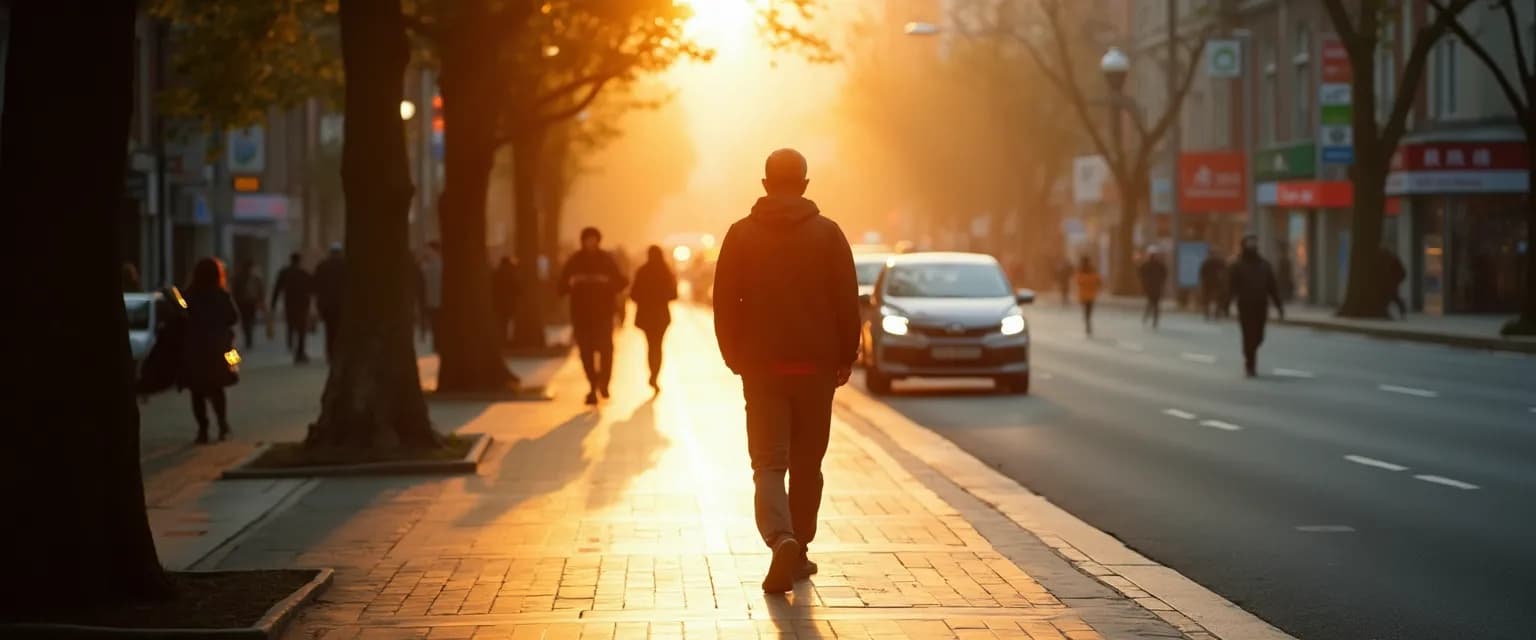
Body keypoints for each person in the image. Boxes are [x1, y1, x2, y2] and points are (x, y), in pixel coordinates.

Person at [714, 148, 860, 594]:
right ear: (805, 184)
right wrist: (846, 355)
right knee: (807, 463)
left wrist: (734, 356)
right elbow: (846, 301)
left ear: (764, 184)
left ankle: (782, 538)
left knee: (769, 463)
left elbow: (723, 302)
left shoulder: (739, 236)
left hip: (761, 369)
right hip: (815, 370)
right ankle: (801, 549)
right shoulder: (829, 235)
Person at [559, 227, 628, 405]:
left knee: (606, 351)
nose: (591, 243)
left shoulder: (607, 260)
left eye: (593, 239)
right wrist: (573, 283)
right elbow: (561, 285)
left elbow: (621, 282)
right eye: (587, 239)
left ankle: (604, 382)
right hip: (581, 316)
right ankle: (592, 385)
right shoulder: (575, 261)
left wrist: (606, 283)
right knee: (586, 353)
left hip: (603, 314)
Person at [180, 257, 240, 443]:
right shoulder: (222, 295)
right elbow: (233, 318)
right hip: (218, 349)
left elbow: (180, 319)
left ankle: (203, 430)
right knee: (217, 388)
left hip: (194, 349)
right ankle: (222, 424)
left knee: (196, 391)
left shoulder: (188, 296)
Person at [1228, 235, 1285, 377]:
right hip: (1245, 305)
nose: (1252, 246)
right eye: (1249, 243)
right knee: (1248, 335)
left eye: (1254, 243)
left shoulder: (1264, 265)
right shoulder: (1237, 265)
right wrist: (1226, 304)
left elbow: (1272, 287)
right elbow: (1230, 287)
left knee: (1259, 335)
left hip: (1261, 304)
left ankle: (1251, 351)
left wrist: (1279, 306)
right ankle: (1250, 363)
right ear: (1243, 245)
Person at [631, 245, 678, 392]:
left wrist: (646, 299)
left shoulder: (642, 271)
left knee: (651, 346)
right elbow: (673, 294)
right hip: (661, 316)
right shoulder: (666, 271)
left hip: (646, 316)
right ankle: (655, 375)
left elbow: (633, 294)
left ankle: (653, 374)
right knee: (657, 346)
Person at [270, 252, 314, 364]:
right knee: (301, 330)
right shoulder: (304, 273)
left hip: (289, 303)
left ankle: (290, 344)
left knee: (290, 324)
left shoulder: (284, 273)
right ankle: (300, 352)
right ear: (299, 261)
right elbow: (312, 289)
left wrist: (273, 304)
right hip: (302, 304)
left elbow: (277, 288)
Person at [313, 243, 346, 362]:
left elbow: (315, 285)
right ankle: (338, 353)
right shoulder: (346, 265)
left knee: (329, 330)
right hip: (342, 304)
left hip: (326, 305)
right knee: (340, 330)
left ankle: (330, 354)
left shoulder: (322, 266)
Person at [231, 259, 265, 349]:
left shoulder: (256, 278)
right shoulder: (239, 278)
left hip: (252, 302)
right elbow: (235, 290)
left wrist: (261, 301)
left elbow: (260, 290)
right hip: (242, 302)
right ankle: (248, 336)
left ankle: (249, 336)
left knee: (251, 320)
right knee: (246, 320)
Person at [420, 241, 444, 350]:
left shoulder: (427, 267)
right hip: (438, 301)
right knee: (438, 325)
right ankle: (439, 345)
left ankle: (437, 345)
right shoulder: (442, 265)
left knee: (436, 325)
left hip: (432, 302)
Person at [1138, 247, 1168, 329]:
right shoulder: (1158, 265)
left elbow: (1140, 274)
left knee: (1152, 303)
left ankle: (1149, 317)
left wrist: (1144, 284)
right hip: (1155, 287)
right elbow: (1164, 274)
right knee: (1154, 304)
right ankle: (1153, 318)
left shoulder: (1146, 265)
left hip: (1151, 287)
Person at [1074, 256, 1101, 336]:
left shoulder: (1083, 270)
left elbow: (1078, 281)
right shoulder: (1088, 270)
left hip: (1087, 294)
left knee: (1087, 310)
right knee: (1088, 310)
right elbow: (1098, 280)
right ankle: (1087, 322)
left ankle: (1087, 321)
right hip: (1088, 294)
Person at [1200, 250, 1229, 321]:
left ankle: (1207, 313)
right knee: (1218, 299)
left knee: (1207, 299)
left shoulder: (1206, 262)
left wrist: (1203, 281)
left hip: (1208, 282)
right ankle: (1216, 314)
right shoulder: (1221, 261)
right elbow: (1225, 272)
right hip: (1218, 283)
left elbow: (1202, 272)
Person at [1380, 246, 1408, 319]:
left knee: (1393, 298)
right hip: (1389, 283)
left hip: (1391, 283)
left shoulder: (1392, 259)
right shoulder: (1391, 259)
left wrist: (1395, 281)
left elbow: (1402, 272)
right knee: (1391, 298)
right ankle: (1401, 312)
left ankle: (1402, 312)